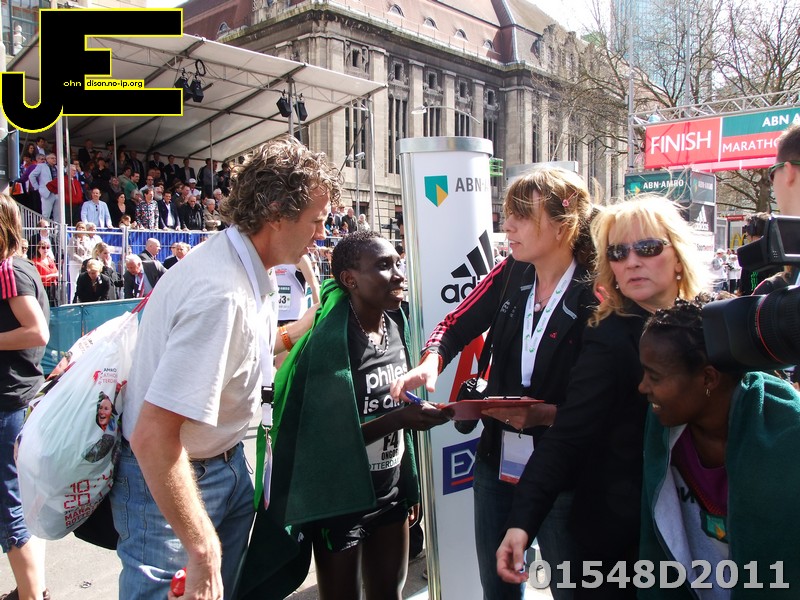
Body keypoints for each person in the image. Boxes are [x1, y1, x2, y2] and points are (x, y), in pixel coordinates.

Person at [109, 135, 341, 599]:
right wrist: (200, 548)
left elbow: (238, 358)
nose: (321, 234)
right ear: (276, 213)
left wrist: (301, 328)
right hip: (177, 478)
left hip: (225, 464)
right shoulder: (222, 294)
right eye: (316, 220)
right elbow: (154, 436)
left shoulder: (245, 264)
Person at [390, 167, 598, 600]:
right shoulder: (512, 271)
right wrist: (431, 363)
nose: (508, 225)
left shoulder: (595, 291)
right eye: (508, 213)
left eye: (523, 215)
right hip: (497, 459)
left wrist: (547, 415)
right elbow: (454, 324)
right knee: (498, 586)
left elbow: (606, 394)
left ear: (563, 225)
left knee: (573, 589)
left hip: (565, 469)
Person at [496, 194, 706, 598]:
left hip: (710, 525)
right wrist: (522, 523)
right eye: (618, 252)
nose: (632, 261)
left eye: (648, 247)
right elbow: (568, 434)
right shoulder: (608, 335)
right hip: (624, 540)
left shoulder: (717, 321)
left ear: (678, 257)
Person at [261, 231, 448, 600]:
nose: (399, 274)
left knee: (389, 593)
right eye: (384, 266)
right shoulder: (329, 341)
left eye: (397, 263)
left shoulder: (397, 323)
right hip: (340, 503)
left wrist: (409, 486)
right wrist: (399, 420)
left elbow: (402, 408)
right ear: (350, 279)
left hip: (390, 496)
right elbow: (323, 440)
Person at [637, 297, 800, 596]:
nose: (643, 387)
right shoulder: (664, 423)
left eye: (654, 376)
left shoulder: (789, 439)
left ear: (708, 378)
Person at [0, 194, 50, 600]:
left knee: (10, 506)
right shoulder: (21, 266)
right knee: (25, 504)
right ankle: (31, 589)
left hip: (10, 404)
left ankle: (32, 594)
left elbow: (37, 332)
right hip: (20, 400)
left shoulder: (9, 270)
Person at [67, 221, 93, 302]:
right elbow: (72, 253)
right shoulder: (72, 239)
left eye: (83, 228)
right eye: (79, 227)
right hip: (75, 263)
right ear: (76, 229)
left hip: (85, 264)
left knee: (85, 282)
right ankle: (73, 301)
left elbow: (90, 251)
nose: (81, 229)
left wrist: (86, 261)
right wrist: (82, 261)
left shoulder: (87, 239)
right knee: (74, 283)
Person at [31, 241, 59, 307]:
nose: (45, 250)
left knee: (54, 305)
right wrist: (51, 275)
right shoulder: (35, 262)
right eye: (43, 247)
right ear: (38, 249)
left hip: (53, 287)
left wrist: (55, 275)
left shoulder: (50, 260)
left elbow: (56, 272)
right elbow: (36, 277)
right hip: (43, 287)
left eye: (48, 247)